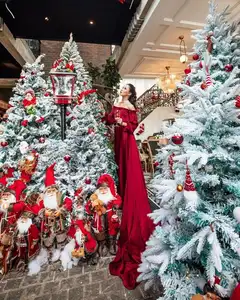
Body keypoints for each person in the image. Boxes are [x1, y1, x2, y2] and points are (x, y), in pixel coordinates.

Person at [106, 84, 154, 290]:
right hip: (117, 140)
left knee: (128, 168)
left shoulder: (131, 107)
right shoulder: (116, 103)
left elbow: (132, 127)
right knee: (118, 168)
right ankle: (122, 192)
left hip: (126, 140)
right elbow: (108, 119)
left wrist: (123, 122)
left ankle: (130, 194)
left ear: (130, 93)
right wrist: (110, 119)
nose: (122, 89)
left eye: (126, 88)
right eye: (123, 87)